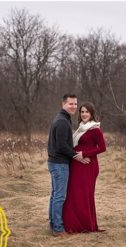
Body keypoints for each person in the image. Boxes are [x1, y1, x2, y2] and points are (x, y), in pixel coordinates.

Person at [63, 103, 107, 233]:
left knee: (84, 195)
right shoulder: (81, 128)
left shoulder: (95, 129)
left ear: (92, 113)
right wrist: (76, 155)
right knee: (74, 194)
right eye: (82, 112)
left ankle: (86, 225)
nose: (84, 114)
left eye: (87, 112)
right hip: (77, 164)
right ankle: (74, 224)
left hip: (88, 165)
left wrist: (84, 154)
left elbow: (102, 147)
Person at [46, 94, 83, 237]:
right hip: (59, 163)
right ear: (63, 104)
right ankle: (58, 228)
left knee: (55, 195)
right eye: (70, 104)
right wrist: (75, 155)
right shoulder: (62, 121)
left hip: (55, 162)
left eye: (75, 104)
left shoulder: (62, 118)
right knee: (60, 196)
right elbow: (61, 146)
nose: (74, 106)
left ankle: (53, 223)